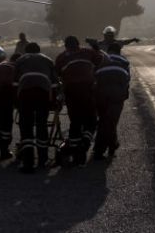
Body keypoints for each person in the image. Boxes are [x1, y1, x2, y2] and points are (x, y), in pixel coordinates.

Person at [54, 35, 105, 166]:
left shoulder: (61, 57)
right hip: (87, 90)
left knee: (75, 122)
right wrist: (96, 48)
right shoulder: (88, 52)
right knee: (91, 121)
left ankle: (75, 150)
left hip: (71, 92)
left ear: (65, 46)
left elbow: (56, 75)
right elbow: (101, 59)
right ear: (78, 44)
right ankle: (84, 144)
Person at [13, 42, 59, 172]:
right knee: (41, 125)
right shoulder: (48, 60)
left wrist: (16, 102)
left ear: (26, 51)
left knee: (26, 126)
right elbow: (55, 84)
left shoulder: (20, 60)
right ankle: (43, 160)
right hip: (43, 94)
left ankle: (28, 162)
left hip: (25, 94)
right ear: (39, 51)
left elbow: (14, 83)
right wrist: (53, 102)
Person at [93, 42, 131, 160]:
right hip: (117, 94)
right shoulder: (124, 61)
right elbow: (127, 80)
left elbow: (94, 77)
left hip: (101, 93)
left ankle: (107, 147)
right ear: (119, 52)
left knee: (104, 120)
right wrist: (124, 95)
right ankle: (105, 149)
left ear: (109, 51)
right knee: (111, 121)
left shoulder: (101, 59)